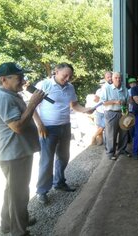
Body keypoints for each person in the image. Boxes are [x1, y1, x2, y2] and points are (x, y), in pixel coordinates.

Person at [0, 62, 45, 235]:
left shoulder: (11, 95)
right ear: (4, 79)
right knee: (18, 195)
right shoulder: (4, 98)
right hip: (14, 154)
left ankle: (10, 224)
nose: (23, 80)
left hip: (17, 153)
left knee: (13, 193)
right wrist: (33, 104)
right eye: (19, 77)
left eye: (22, 76)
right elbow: (18, 127)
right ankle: (18, 231)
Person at [33, 63, 95, 204]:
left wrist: (86, 110)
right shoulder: (44, 84)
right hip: (48, 128)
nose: (67, 79)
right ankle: (42, 191)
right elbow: (32, 105)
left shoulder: (70, 87)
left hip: (65, 126)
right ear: (56, 71)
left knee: (63, 157)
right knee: (46, 161)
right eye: (65, 75)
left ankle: (59, 183)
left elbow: (74, 106)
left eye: (70, 76)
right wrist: (40, 124)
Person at [100, 72, 129, 160]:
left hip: (123, 112)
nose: (118, 79)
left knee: (124, 132)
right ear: (112, 79)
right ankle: (110, 153)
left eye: (119, 78)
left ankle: (122, 150)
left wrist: (127, 106)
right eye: (116, 78)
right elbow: (103, 102)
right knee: (111, 134)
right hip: (111, 112)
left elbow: (127, 100)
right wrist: (115, 101)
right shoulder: (106, 88)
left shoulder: (123, 87)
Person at [91, 79, 107, 146]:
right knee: (98, 127)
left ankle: (94, 136)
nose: (102, 85)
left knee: (102, 126)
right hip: (98, 111)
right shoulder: (98, 91)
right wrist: (95, 99)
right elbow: (96, 101)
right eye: (101, 84)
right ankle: (100, 141)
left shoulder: (108, 90)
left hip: (106, 111)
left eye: (103, 83)